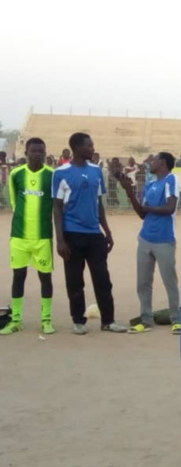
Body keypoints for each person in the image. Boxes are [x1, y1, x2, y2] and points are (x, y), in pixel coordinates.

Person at [52, 133, 128, 334]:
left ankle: (108, 321)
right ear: (76, 147)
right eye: (89, 146)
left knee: (103, 279)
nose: (92, 149)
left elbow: (99, 204)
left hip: (95, 235)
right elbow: (57, 208)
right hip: (72, 234)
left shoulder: (96, 172)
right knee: (75, 280)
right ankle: (78, 320)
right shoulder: (61, 172)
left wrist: (107, 232)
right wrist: (60, 240)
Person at [117, 152, 181, 335]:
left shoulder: (171, 180)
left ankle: (176, 320)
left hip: (165, 239)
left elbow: (170, 208)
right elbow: (142, 214)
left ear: (162, 162)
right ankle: (146, 320)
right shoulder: (151, 184)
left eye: (153, 160)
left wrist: (148, 208)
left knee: (170, 281)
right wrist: (129, 193)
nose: (149, 163)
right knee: (143, 282)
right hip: (145, 238)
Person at [1, 138, 56, 336]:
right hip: (19, 237)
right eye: (34, 151)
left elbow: (57, 207)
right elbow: (15, 203)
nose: (38, 154)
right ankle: (16, 320)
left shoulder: (51, 175)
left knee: (45, 278)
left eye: (41, 151)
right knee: (18, 277)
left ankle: (46, 320)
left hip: (43, 237)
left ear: (45, 152)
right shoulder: (16, 174)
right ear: (26, 152)